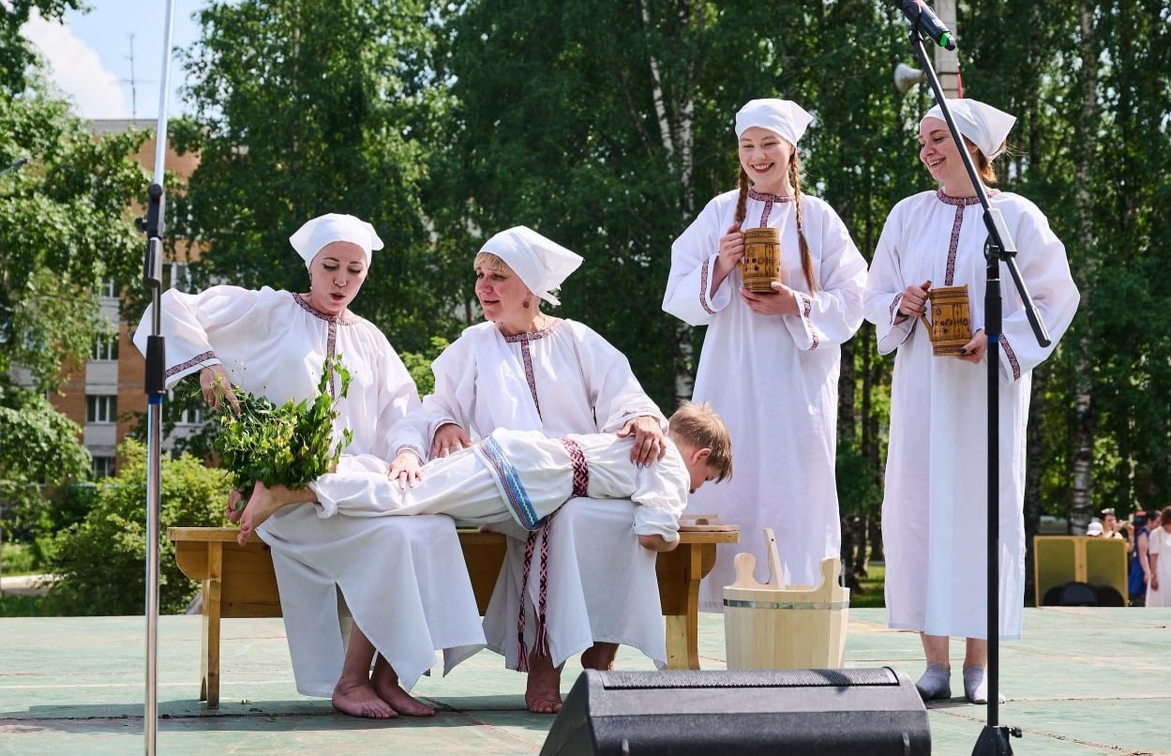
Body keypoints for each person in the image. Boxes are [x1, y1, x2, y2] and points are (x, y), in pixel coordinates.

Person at [133, 213, 485, 719]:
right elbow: (168, 306)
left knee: (431, 527)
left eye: (355, 270)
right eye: (330, 266)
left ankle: (389, 678)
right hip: (287, 496)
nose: (342, 280)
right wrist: (207, 363)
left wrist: (408, 451)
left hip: (358, 494)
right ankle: (349, 681)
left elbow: (405, 411)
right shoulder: (269, 310)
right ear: (310, 266)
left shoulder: (370, 338)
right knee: (395, 536)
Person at [863, 98, 1080, 704]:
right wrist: (901, 304)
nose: (927, 151)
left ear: (974, 147)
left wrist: (1000, 338)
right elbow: (873, 294)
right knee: (920, 510)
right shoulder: (907, 215)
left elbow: (1056, 297)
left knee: (982, 513)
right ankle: (933, 663)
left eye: (938, 138)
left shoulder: (1018, 217)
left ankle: (979, 664)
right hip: (922, 389)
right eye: (923, 141)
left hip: (988, 392)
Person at [423, 224, 671, 713]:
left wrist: (641, 416)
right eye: (480, 275)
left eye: (498, 277)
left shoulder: (577, 338)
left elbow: (625, 395)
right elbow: (437, 403)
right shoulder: (473, 345)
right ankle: (545, 662)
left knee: (623, 517)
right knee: (556, 517)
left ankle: (602, 655)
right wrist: (445, 424)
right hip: (514, 486)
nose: (483, 287)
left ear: (531, 288)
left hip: (585, 479)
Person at [662, 98, 868, 612]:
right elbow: (677, 291)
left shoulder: (818, 218)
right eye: (747, 145)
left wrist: (795, 304)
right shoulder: (719, 212)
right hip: (731, 373)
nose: (757, 156)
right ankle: (713, 607)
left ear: (791, 148)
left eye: (768, 143)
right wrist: (720, 264)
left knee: (793, 484)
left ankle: (796, 606)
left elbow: (855, 298)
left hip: (797, 384)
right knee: (725, 483)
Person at [235, 401, 733, 559]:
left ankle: (315, 469)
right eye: (703, 479)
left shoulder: (645, 441)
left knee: (416, 485)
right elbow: (652, 535)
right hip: (527, 480)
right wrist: (675, 533)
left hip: (518, 455)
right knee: (408, 498)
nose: (693, 489)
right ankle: (291, 489)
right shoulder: (669, 463)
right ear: (700, 455)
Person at [1128, 510, 1161, 606]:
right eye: (1157, 522)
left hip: (1152, 566)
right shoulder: (1143, 533)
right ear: (1150, 521)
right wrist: (1148, 573)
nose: (1159, 525)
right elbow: (1143, 555)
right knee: (1139, 597)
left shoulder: (1155, 534)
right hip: (1142, 568)